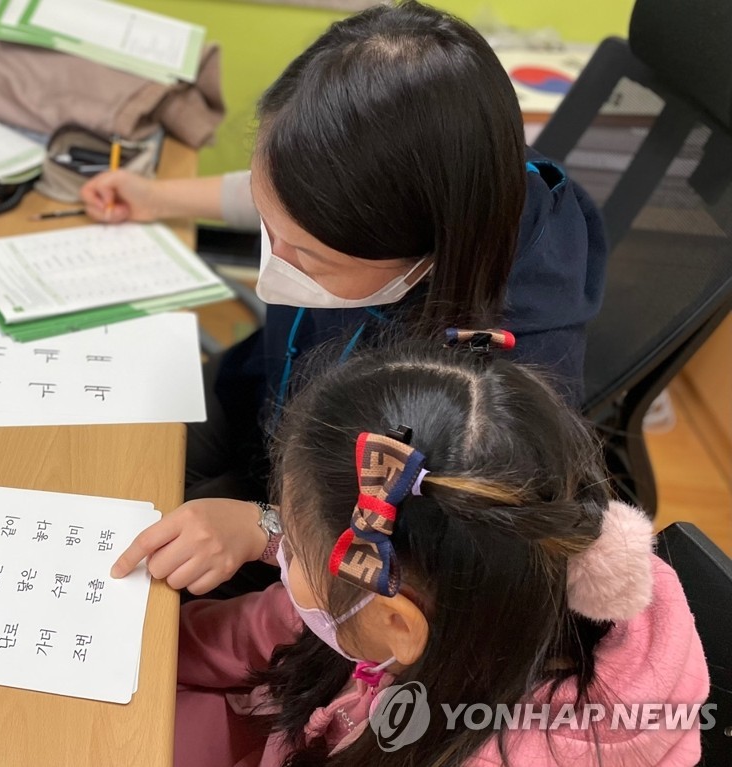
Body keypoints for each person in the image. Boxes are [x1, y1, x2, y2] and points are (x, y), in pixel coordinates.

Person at [88, 1, 607, 593]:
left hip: (335, 541)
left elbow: (443, 551)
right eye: (266, 226)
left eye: (311, 258)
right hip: (265, 403)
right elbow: (290, 196)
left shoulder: (496, 382)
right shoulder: (430, 172)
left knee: (149, 582)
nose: (273, 266)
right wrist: (155, 197)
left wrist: (269, 529)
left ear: (425, 258)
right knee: (104, 452)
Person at [157, 341, 707, 767]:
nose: (276, 552)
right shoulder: (487, 581)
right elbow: (275, 627)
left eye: (292, 550)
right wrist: (148, 644)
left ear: (397, 622)